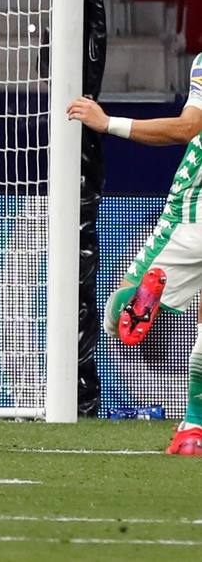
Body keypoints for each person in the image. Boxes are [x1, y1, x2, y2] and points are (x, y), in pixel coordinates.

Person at [68, 62, 202, 456]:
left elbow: (187, 128)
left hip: (193, 212)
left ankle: (141, 296)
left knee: (115, 317)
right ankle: (193, 428)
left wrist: (108, 123)